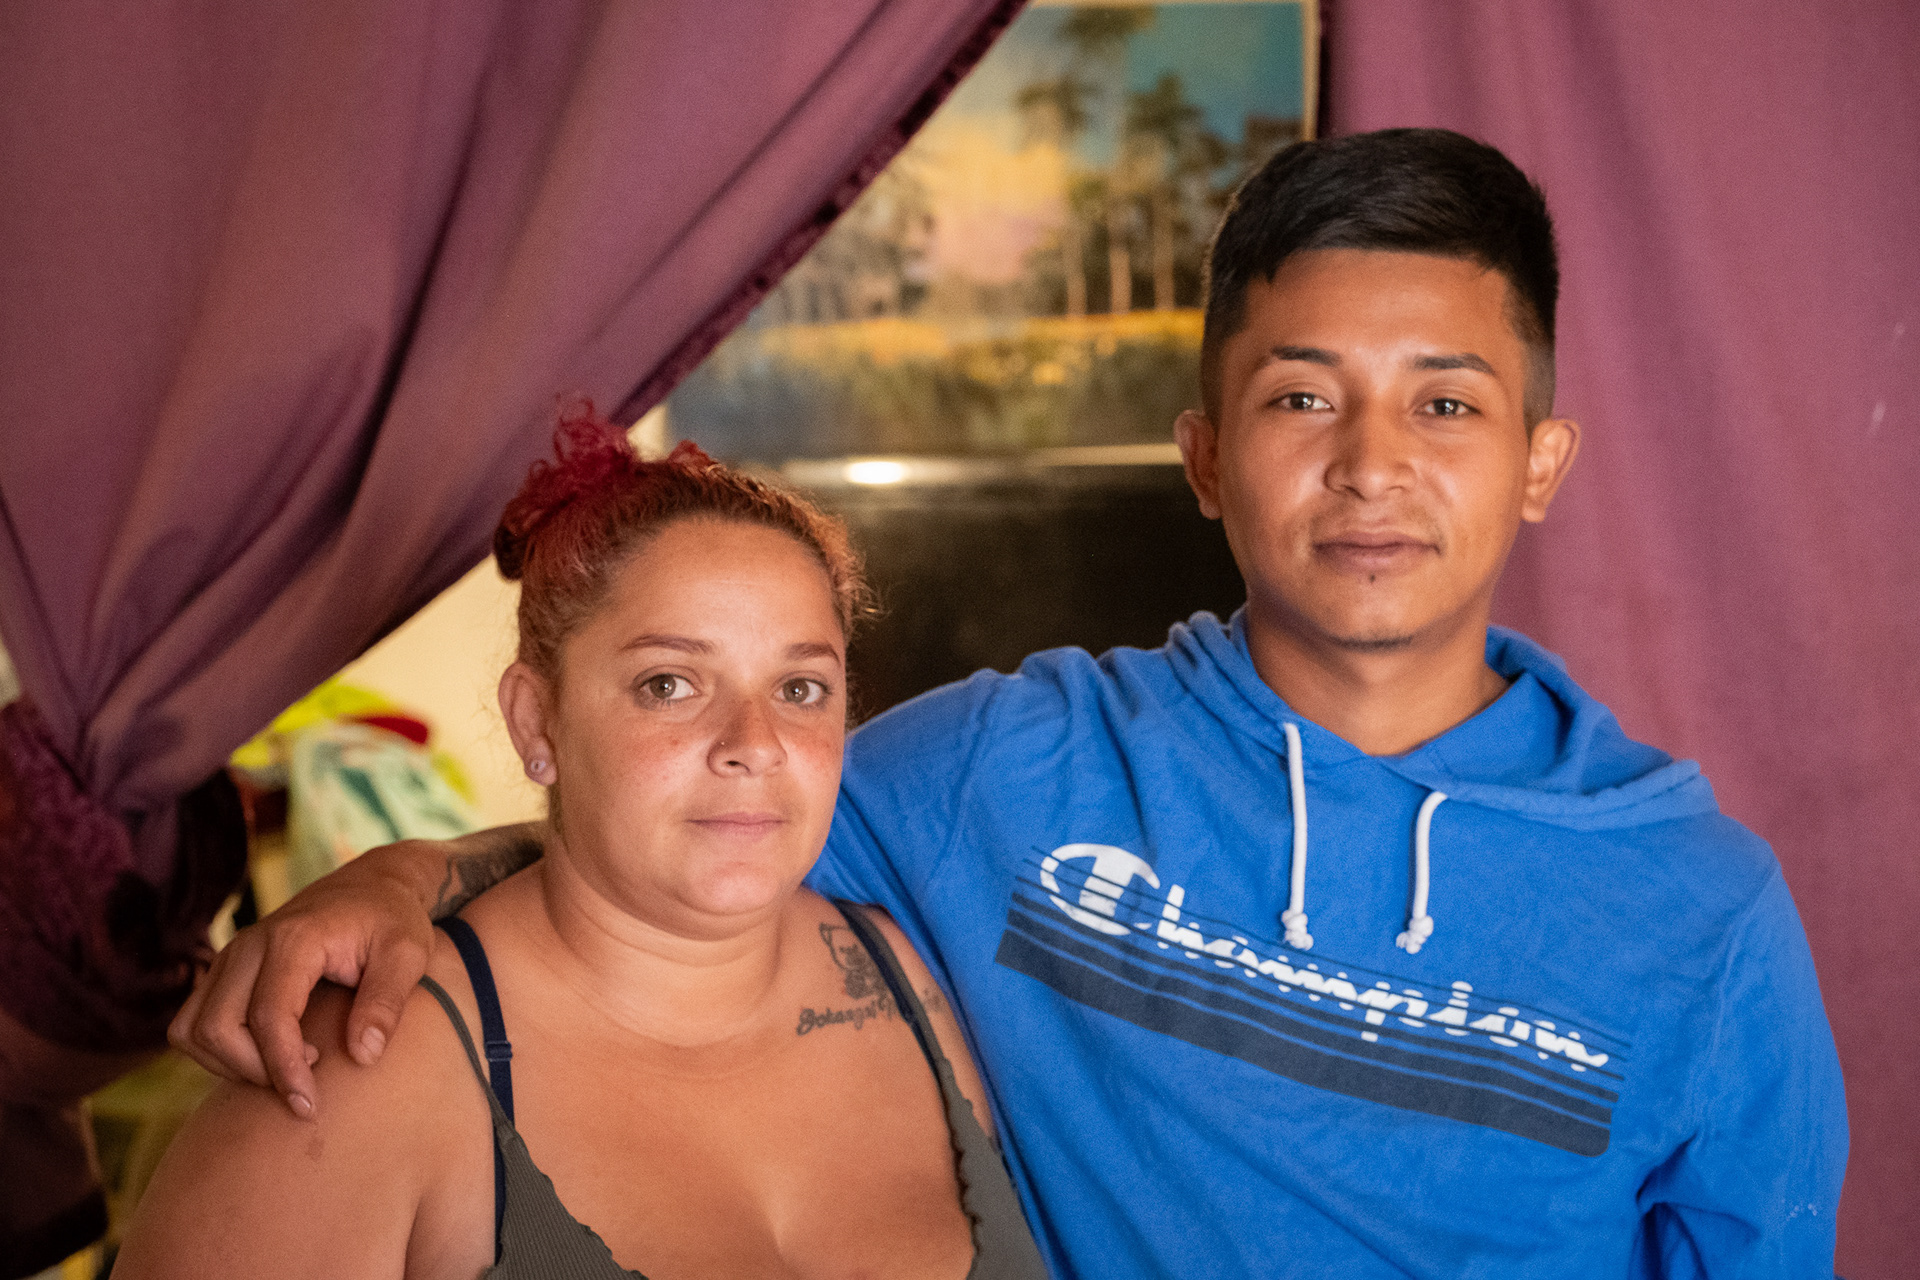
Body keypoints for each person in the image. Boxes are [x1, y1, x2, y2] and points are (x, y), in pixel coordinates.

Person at [175, 129, 1847, 1277]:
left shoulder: (1702, 920)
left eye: (1448, 404)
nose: (1371, 466)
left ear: (1543, 462)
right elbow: (694, 827)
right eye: (1298, 395)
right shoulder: (1007, 772)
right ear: (1201, 454)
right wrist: (394, 881)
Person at [117, 420, 1048, 1278]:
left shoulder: (916, 973)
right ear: (539, 719)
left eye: (801, 689)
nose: (754, 741)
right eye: (670, 683)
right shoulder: (362, 1065)